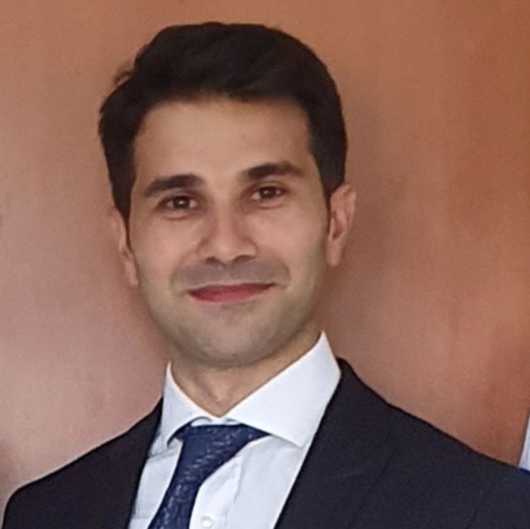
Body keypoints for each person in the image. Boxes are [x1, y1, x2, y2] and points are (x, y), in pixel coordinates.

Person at [4, 22, 530, 529]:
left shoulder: (483, 510)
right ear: (125, 242)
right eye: (180, 202)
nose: (225, 245)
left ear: (336, 223)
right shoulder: (44, 514)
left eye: (266, 193)